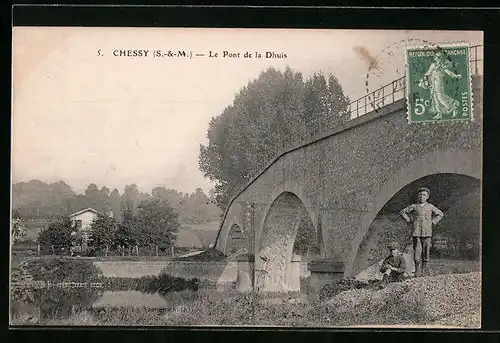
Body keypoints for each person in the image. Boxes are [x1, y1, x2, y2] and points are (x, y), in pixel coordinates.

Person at [399, 187, 444, 277]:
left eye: (424, 195)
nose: (421, 197)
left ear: (427, 197)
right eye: (420, 195)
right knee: (417, 252)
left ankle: (424, 271)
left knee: (426, 251)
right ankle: (417, 271)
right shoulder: (414, 206)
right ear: (417, 196)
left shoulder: (430, 207)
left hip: (427, 233)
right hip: (416, 233)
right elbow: (402, 212)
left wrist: (433, 222)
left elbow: (440, 214)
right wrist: (408, 220)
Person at [418, 50, 462, 119]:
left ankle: (453, 107)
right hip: (433, 83)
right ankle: (439, 113)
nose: (435, 58)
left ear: (440, 58)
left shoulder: (442, 66)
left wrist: (456, 76)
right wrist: (422, 79)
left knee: (440, 97)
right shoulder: (433, 65)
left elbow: (449, 73)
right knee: (435, 98)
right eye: (435, 56)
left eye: (437, 57)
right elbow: (428, 73)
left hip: (439, 83)